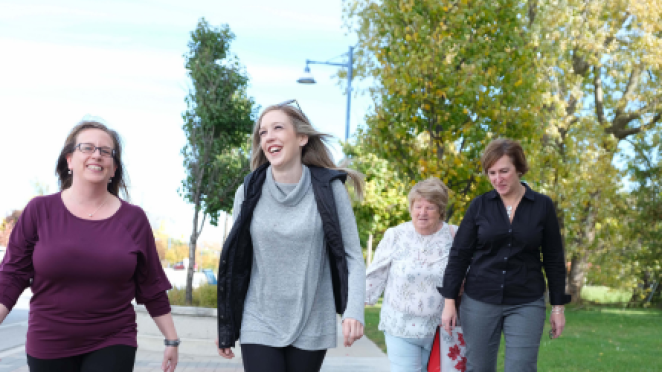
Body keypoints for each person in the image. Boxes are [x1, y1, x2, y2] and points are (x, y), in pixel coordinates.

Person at [0, 121, 179, 372]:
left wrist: (172, 339)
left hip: (113, 340)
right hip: (48, 341)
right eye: (87, 148)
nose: (97, 154)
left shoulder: (133, 219)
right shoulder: (39, 210)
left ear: (114, 168)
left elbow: (151, 285)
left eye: (106, 151)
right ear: (70, 160)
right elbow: (13, 275)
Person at [214, 100, 366, 372]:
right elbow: (235, 261)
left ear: (302, 137)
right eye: (263, 132)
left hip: (312, 318)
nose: (268, 136)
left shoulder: (329, 190)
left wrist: (354, 311)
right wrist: (227, 323)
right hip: (258, 317)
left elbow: (353, 255)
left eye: (278, 128)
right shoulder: (248, 192)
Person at [441, 138, 571, 372]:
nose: (497, 179)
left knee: (521, 368)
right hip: (479, 300)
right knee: (478, 368)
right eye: (491, 173)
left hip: (526, 302)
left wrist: (558, 307)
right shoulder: (479, 206)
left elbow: (553, 258)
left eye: (504, 171)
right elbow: (459, 255)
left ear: (519, 169)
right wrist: (449, 301)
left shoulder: (542, 206)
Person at [365, 178, 457, 372]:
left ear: (440, 210)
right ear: (411, 208)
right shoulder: (395, 235)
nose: (422, 213)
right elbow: (376, 275)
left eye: (430, 207)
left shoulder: (454, 235)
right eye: (418, 206)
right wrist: (355, 309)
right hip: (401, 327)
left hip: (443, 330)